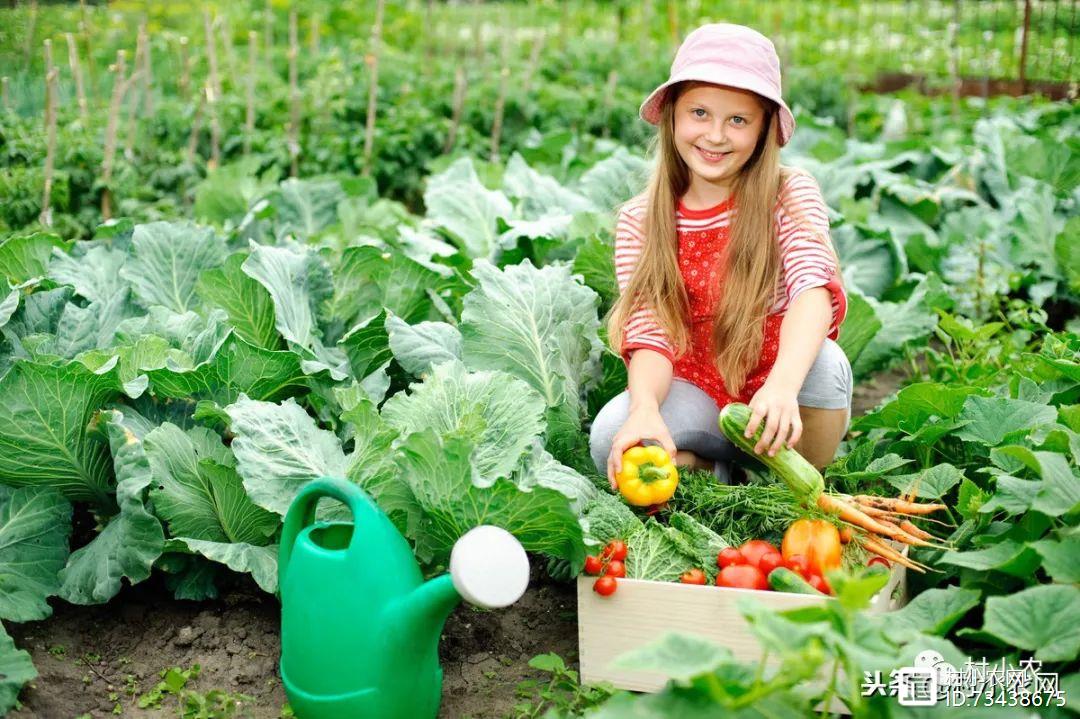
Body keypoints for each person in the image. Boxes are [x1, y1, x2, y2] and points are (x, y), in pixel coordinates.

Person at [590, 23, 853, 491]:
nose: (714, 135)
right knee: (612, 434)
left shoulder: (787, 192)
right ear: (672, 116)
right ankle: (721, 472)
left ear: (764, 128)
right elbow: (650, 331)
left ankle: (793, 486)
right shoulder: (641, 219)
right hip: (695, 387)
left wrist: (783, 385)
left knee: (826, 364)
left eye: (737, 120)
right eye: (699, 113)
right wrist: (646, 408)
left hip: (778, 376)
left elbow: (813, 286)